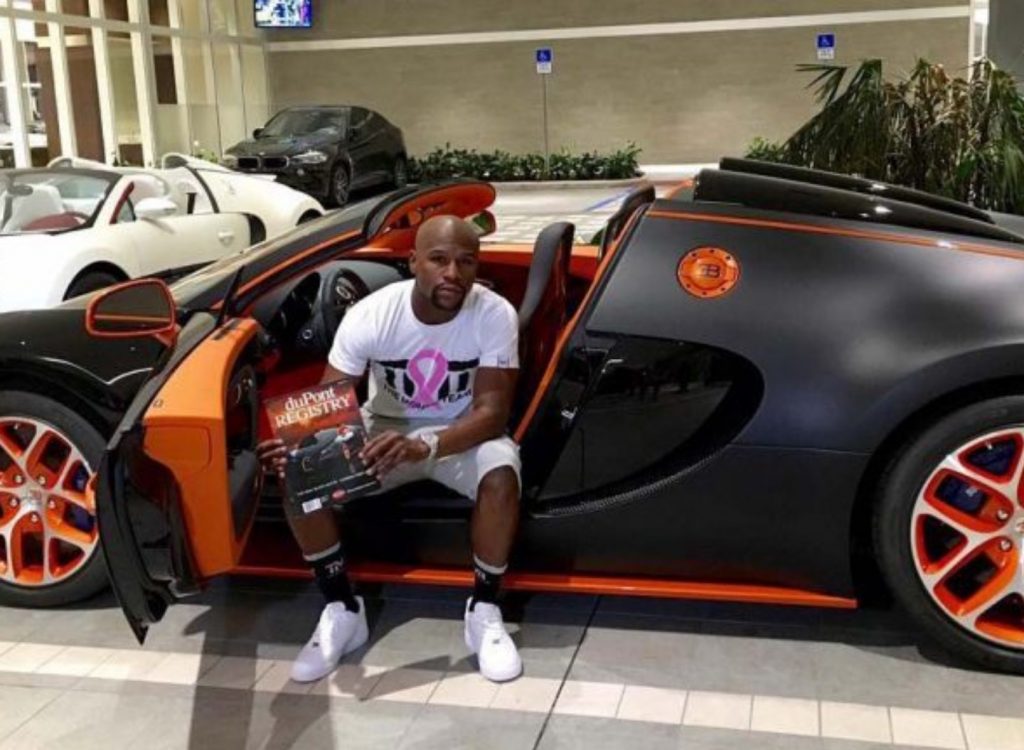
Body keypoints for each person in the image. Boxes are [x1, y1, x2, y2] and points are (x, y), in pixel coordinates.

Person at [257, 214, 523, 684]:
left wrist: (425, 445)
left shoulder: (494, 313)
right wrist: (298, 445)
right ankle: (342, 608)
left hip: (460, 433)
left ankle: (483, 609)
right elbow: (328, 403)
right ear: (413, 261)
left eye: (466, 262)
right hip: (383, 428)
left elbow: (492, 414)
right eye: (438, 260)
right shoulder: (372, 314)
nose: (453, 274)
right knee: (300, 471)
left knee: (501, 476)